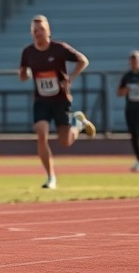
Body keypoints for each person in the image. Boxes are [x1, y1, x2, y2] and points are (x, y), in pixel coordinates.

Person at [18, 15, 96, 189]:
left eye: (41, 29)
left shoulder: (59, 49)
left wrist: (71, 77)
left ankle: (78, 123)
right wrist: (24, 75)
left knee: (65, 141)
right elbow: (22, 75)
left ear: (48, 31)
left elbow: (83, 60)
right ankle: (50, 177)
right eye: (34, 30)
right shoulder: (28, 52)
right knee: (41, 133)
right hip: (41, 100)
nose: (38, 33)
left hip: (60, 100)